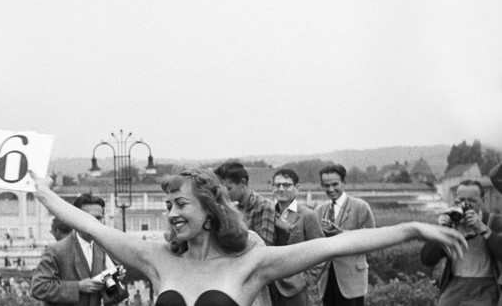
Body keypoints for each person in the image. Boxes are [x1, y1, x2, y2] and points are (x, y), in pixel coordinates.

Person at [28, 168, 466, 306]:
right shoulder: (156, 257)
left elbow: (336, 245)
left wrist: (411, 228)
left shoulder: (250, 263)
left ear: (210, 213)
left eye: (181, 205)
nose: (171, 214)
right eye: (168, 206)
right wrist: (44, 192)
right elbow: (91, 226)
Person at [421, 179, 502, 306]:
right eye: (461, 200)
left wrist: (483, 229)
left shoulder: (495, 222)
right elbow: (427, 259)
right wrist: (442, 231)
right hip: (455, 284)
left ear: (483, 201)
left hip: (484, 286)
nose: (466, 205)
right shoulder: (452, 220)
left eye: (472, 201)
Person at [31, 192, 119, 306]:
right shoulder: (56, 250)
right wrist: (77, 287)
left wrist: (114, 279)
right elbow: (38, 287)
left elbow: (106, 294)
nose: (95, 222)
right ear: (75, 218)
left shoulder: (103, 249)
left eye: (98, 218)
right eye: (89, 217)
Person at [314, 164, 375, 306]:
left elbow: (372, 240)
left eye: (335, 184)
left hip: (352, 279)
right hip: (327, 278)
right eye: (326, 185)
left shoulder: (361, 207)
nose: (330, 189)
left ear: (344, 182)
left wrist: (343, 234)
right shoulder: (319, 210)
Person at [269, 168, 324, 306]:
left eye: (287, 185)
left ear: (297, 188)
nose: (281, 189)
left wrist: (306, 280)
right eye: (277, 185)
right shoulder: (267, 214)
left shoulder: (307, 215)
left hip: (297, 289)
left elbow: (321, 253)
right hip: (269, 285)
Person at [214, 161, 275, 246]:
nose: (225, 194)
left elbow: (265, 245)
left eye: (229, 188)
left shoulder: (264, 206)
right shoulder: (232, 207)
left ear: (243, 182)